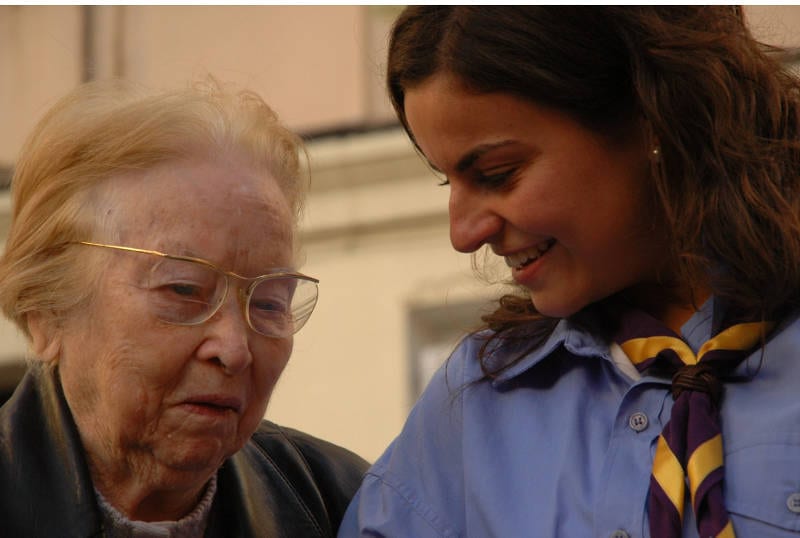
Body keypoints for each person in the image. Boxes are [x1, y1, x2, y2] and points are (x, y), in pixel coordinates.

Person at [340, 6, 800, 538]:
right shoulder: (474, 407)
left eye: (498, 174)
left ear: (654, 116)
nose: (463, 234)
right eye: (448, 182)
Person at [0, 79, 368, 537]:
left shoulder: (344, 509)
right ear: (46, 312)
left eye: (270, 302)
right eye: (183, 289)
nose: (234, 349)